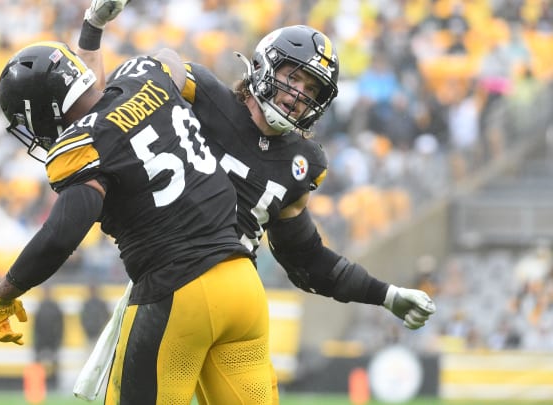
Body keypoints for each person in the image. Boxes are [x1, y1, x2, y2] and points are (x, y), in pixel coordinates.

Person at [75, 2, 437, 403]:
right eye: (294, 76)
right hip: (176, 276)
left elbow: (305, 259)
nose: (299, 95)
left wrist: (384, 294)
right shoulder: (205, 96)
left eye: (312, 89)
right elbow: (107, 111)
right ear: (265, 65)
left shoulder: (302, 162)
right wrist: (96, 32)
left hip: (225, 293)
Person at [0, 26, 273, 405]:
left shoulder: (81, 144)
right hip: (242, 285)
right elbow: (170, 61)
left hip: (177, 291)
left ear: (45, 110)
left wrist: (4, 294)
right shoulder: (145, 73)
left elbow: (63, 232)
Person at [32, 284, 64, 390]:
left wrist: (58, 340)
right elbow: (35, 326)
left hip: (52, 341)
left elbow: (60, 325)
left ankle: (54, 385)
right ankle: (39, 385)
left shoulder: (55, 307)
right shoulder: (40, 306)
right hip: (42, 342)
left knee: (54, 365)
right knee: (39, 365)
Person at [79, 283, 110, 354]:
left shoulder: (101, 304)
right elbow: (83, 318)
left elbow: (106, 317)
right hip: (89, 334)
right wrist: (87, 328)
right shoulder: (86, 304)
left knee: (99, 354)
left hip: (99, 334)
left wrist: (101, 327)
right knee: (90, 354)